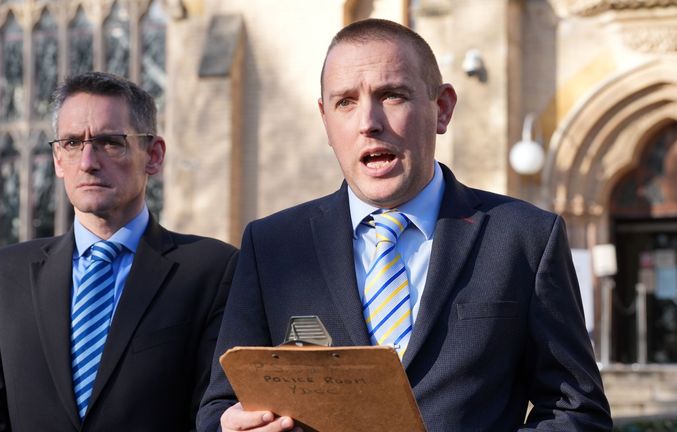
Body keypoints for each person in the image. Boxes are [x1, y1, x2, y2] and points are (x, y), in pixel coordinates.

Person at [197, 19, 612, 431]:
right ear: (325, 119)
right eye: (345, 102)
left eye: (391, 95)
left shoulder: (525, 238)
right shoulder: (272, 245)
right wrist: (232, 426)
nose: (368, 122)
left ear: (442, 108)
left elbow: (575, 410)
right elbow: (222, 405)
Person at [0, 71, 238, 431]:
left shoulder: (213, 271)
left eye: (109, 142)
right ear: (56, 159)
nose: (87, 162)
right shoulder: (2, 278)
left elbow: (212, 416)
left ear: (154, 156)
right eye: (71, 143)